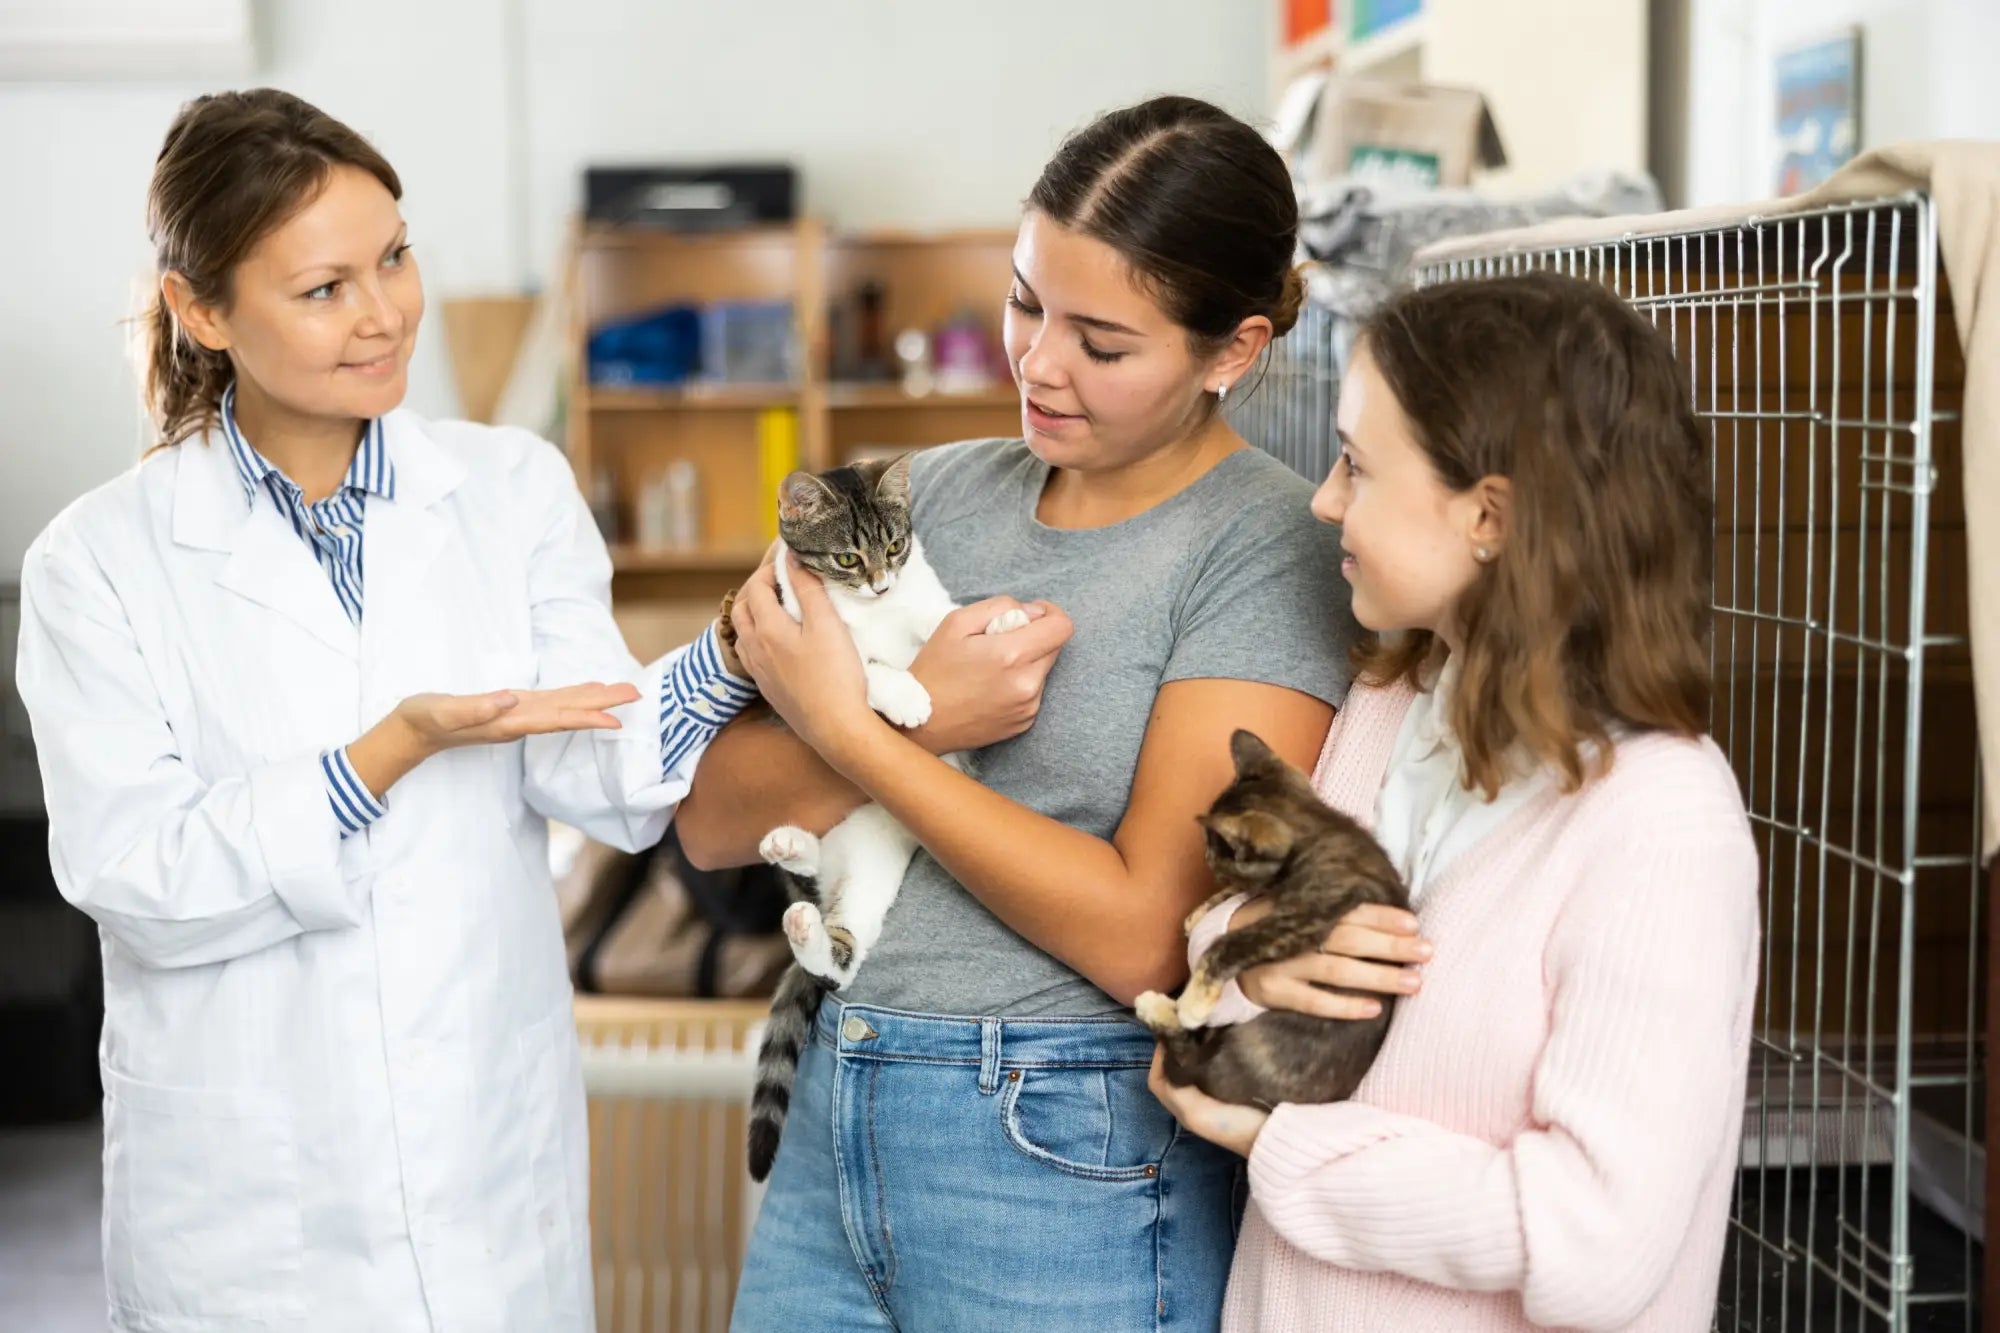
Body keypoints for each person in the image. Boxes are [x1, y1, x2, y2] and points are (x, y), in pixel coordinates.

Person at [18, 87, 769, 1332]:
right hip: (250, 1216)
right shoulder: (95, 562)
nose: (383, 315)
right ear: (202, 312)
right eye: (323, 290)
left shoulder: (508, 490)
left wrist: (734, 648)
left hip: (486, 1173)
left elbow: (600, 769)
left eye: (396, 257)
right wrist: (387, 749)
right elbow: (134, 873)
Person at [677, 95, 1371, 1332]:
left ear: (1232, 349)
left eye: (1102, 343)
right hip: (834, 1108)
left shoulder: (1266, 550)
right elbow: (710, 818)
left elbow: (1143, 933)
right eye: (1023, 301)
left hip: (1062, 1154)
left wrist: (852, 732)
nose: (1038, 362)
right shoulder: (925, 496)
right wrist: (926, 721)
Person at [1150, 272, 1761, 1332]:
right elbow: (1233, 923)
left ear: (1487, 514)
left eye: (1357, 464)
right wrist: (1257, 945)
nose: (1322, 499)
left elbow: (1596, 1241)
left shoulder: (1662, 822)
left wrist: (1281, 1148)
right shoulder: (1392, 701)